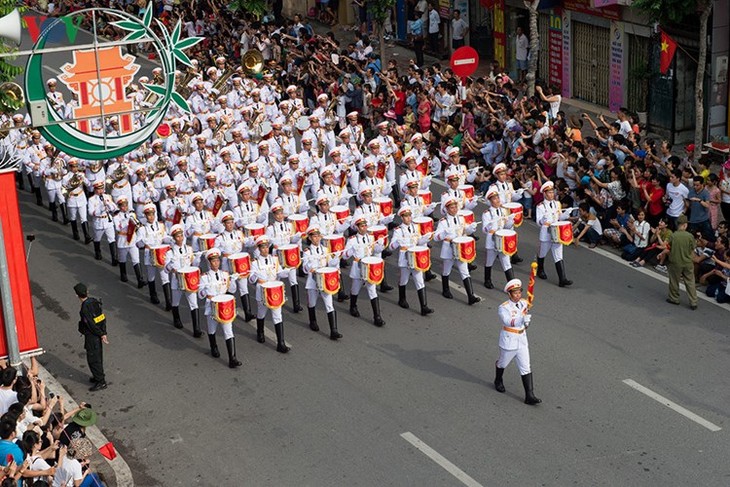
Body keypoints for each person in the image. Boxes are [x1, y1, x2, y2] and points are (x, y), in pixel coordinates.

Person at [494, 279, 541, 405]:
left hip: (522, 339)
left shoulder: (524, 303)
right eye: (515, 293)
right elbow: (507, 321)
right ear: (509, 294)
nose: (518, 295)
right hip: (509, 340)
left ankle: (529, 395)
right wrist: (522, 319)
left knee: (526, 367)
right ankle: (498, 379)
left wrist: (526, 322)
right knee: (503, 363)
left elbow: (525, 321)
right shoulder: (503, 308)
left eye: (519, 292)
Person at [198, 248, 242, 368]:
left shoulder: (225, 274)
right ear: (209, 263)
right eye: (213, 261)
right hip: (211, 306)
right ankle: (214, 347)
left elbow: (232, 290)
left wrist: (233, 281)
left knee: (229, 331)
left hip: (224, 306)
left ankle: (232, 358)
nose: (216, 263)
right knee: (212, 330)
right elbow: (200, 295)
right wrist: (205, 291)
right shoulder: (204, 277)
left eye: (217, 260)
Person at [535, 181, 573, 287]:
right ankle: (540, 270)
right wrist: (543, 219)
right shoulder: (540, 206)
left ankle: (562, 279)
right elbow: (538, 221)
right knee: (542, 253)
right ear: (544, 194)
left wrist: (565, 214)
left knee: (558, 256)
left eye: (552, 192)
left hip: (557, 233)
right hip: (546, 233)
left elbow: (559, 217)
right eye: (549, 192)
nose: (552, 194)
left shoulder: (557, 204)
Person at [73, 283, 108, 391]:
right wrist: (103, 333)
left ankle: (100, 381)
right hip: (98, 334)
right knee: (97, 357)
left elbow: (90, 324)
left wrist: (100, 334)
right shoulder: (94, 302)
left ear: (77, 295)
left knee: (93, 359)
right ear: (87, 292)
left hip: (92, 336)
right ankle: (97, 376)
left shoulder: (84, 308)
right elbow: (101, 318)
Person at [665, 215, 698, 310]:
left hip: (675, 262)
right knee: (690, 281)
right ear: (685, 225)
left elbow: (667, 246)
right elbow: (693, 248)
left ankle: (674, 298)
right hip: (688, 262)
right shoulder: (690, 236)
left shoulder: (673, 235)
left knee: (674, 281)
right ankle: (693, 302)